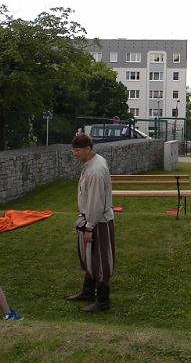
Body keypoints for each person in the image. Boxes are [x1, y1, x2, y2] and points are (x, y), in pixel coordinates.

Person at [67, 133, 115, 312]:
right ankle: (88, 292)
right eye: (74, 150)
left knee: (100, 260)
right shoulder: (93, 162)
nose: (75, 153)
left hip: (98, 222)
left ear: (88, 149)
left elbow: (96, 202)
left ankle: (103, 301)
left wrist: (89, 227)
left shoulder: (95, 170)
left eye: (78, 150)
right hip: (92, 219)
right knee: (90, 257)